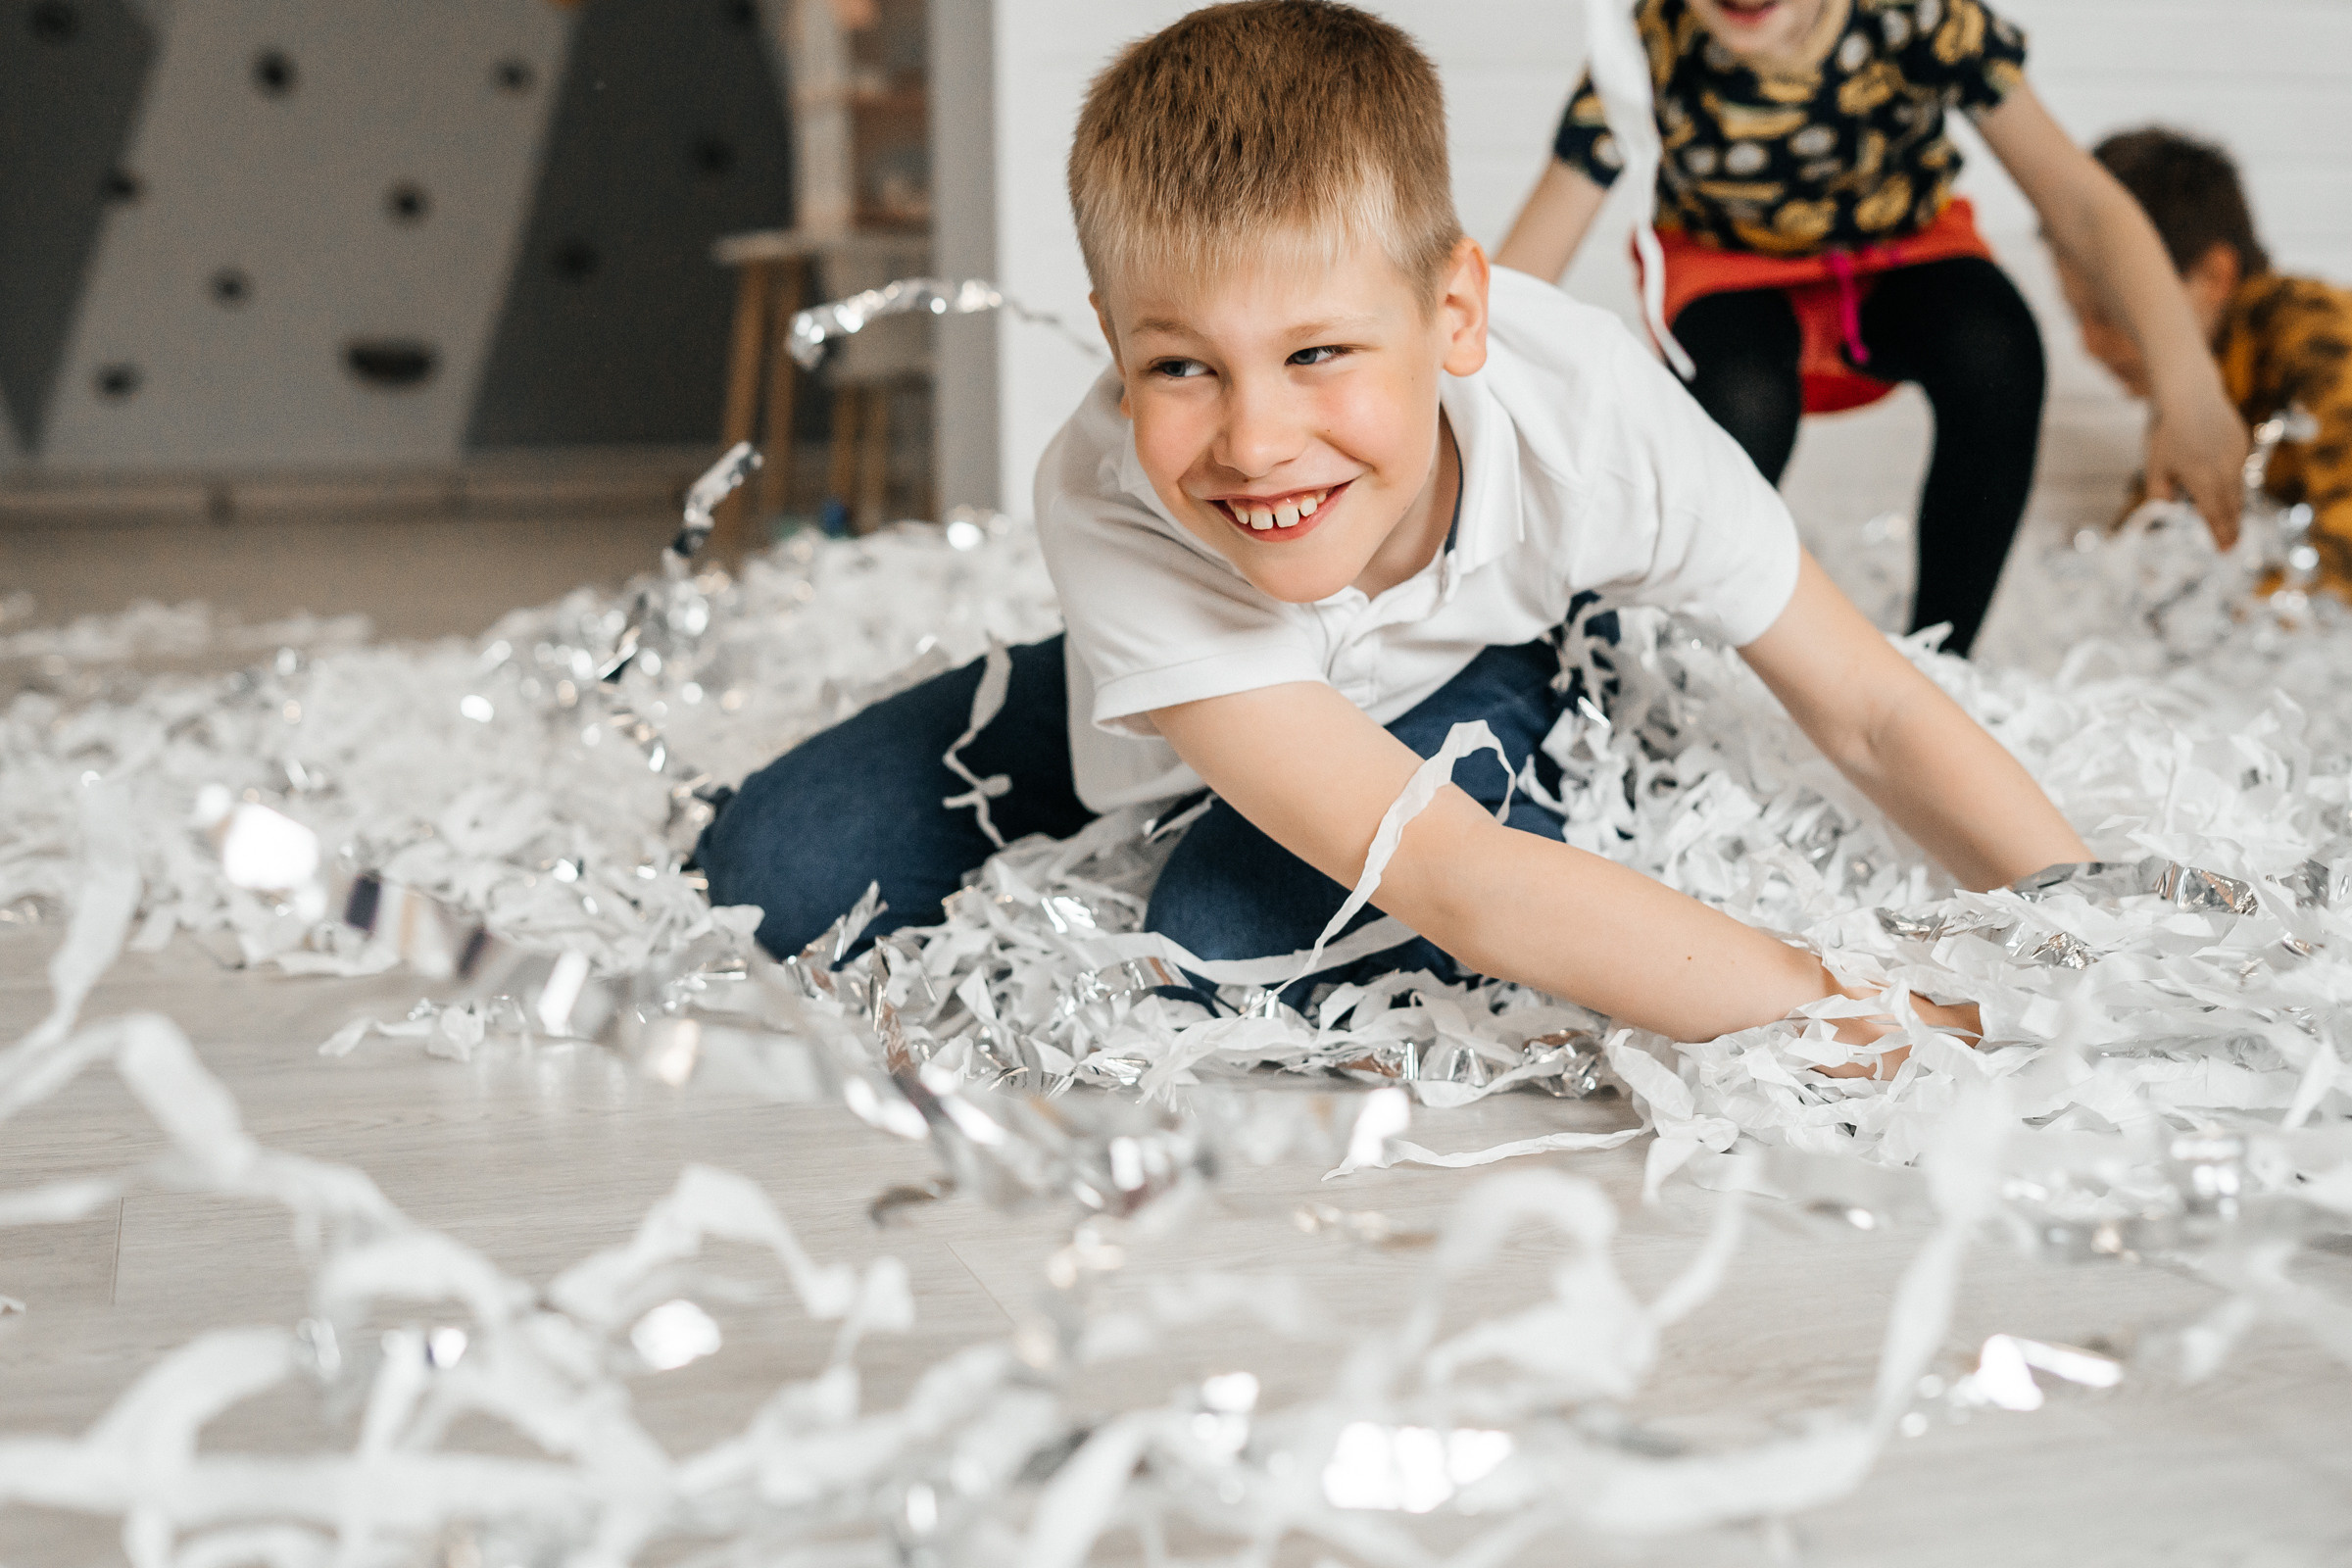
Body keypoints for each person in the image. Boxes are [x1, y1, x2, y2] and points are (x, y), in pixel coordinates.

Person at [700, 0, 2093, 1077]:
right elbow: (1454, 886)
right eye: (1181, 367)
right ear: (1116, 343)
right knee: (766, 877)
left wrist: (2070, 930)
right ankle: (1199, 733)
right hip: (1218, 684)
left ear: (1456, 315)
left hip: (1466, 658)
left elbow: (1869, 709)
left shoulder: (1594, 415)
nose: (1254, 441)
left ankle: (1546, 700)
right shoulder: (1109, 483)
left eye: (1318, 351)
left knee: (1226, 953)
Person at [1494, 0, 2248, 658]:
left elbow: (2081, 201)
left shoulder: (1917, 15)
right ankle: (1665, 662)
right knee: (1737, 403)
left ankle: (1942, 658)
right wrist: (1452, 396)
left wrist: (2186, 380)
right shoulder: (1647, 43)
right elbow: (1523, 275)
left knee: (1998, 350)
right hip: (1730, 277)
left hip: (1900, 257)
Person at [2064, 126, 2352, 596]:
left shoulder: (2318, 335)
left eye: (2108, 315)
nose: (2088, 344)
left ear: (2213, 275)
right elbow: (2146, 551)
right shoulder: (2203, 387)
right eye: (2075, 315)